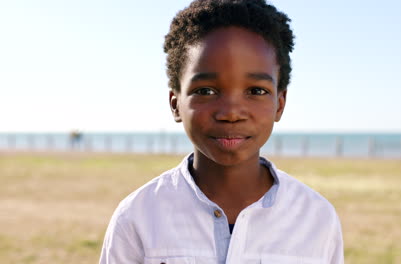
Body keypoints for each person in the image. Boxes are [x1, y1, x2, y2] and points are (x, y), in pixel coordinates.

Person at [100, 0, 344, 263]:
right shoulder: (137, 217)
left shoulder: (317, 219)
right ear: (176, 104)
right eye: (206, 91)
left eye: (256, 91)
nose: (231, 112)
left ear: (279, 104)